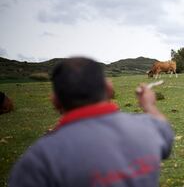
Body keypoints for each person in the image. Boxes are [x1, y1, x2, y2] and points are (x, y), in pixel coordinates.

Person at [9, 57, 174, 187]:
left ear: (55, 101)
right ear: (109, 89)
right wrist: (149, 105)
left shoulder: (38, 161)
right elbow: (164, 130)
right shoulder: (147, 128)